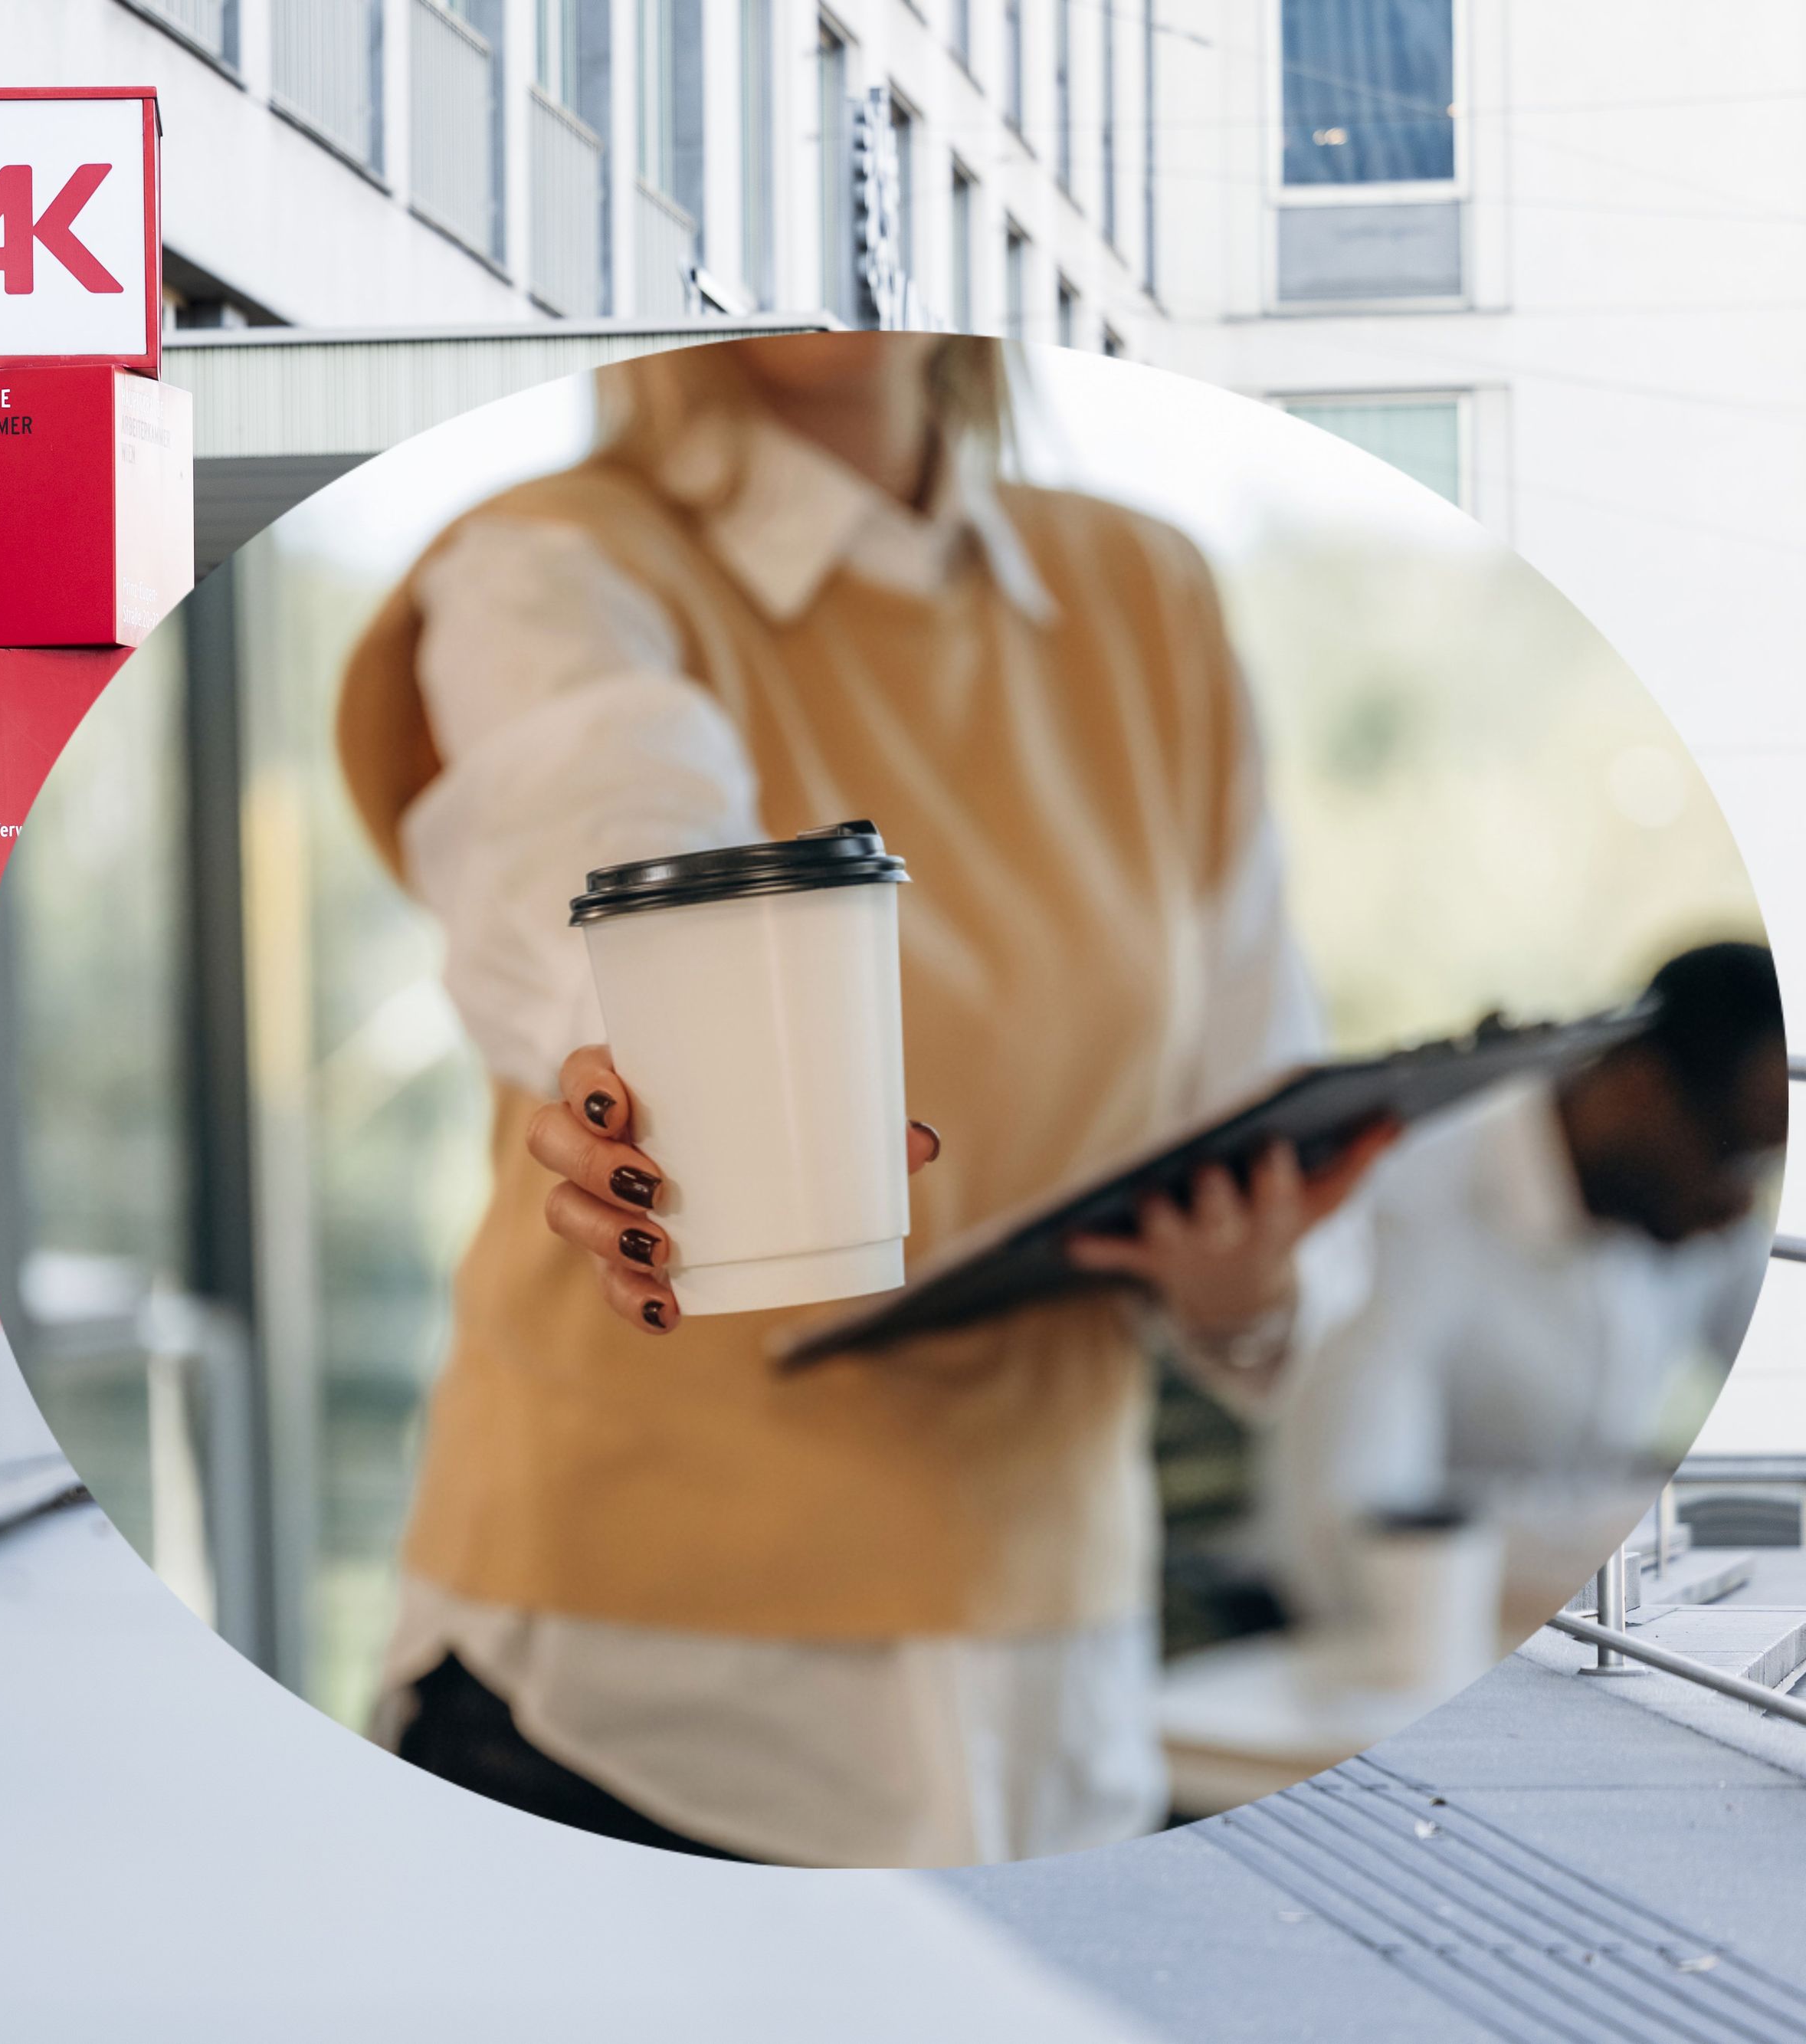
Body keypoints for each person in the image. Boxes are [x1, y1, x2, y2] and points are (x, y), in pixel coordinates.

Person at [333, 333, 1388, 1868]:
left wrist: (1243, 1288)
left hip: (1051, 1696)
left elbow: (1250, 1072)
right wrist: (650, 1056)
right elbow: (603, 820)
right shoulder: (552, 563)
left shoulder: (1145, 598)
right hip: (627, 1700)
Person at [1264, 942, 1785, 1632]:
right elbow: (1351, 1544)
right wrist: (1674, 1526)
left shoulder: (1693, 1212)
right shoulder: (1410, 1203)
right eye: (1743, 1158)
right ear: (1642, 1091)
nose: (1744, 1209)